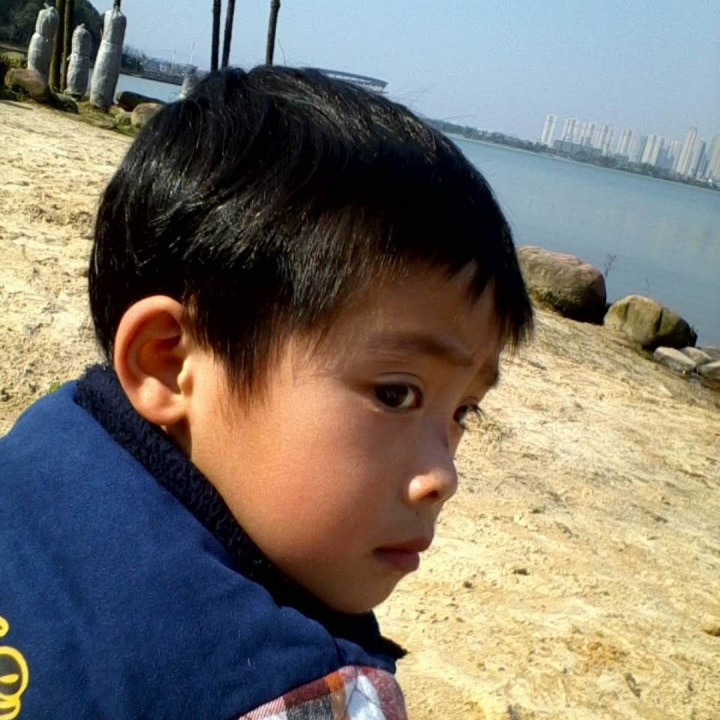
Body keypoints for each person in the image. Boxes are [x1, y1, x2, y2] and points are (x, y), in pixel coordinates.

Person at [0, 67, 533, 719]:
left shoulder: (51, 438)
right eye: (396, 394)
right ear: (169, 364)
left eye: (462, 411)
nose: (443, 477)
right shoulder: (299, 696)